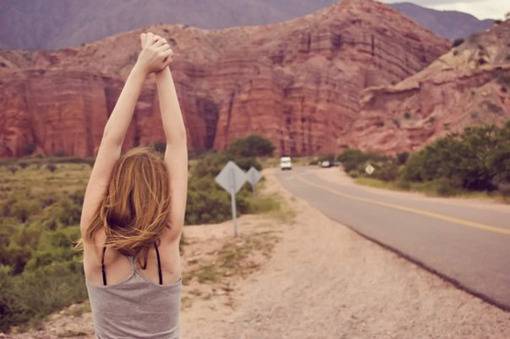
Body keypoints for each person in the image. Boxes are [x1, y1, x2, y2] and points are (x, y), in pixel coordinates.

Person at [75, 31, 188, 339]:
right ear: (160, 192)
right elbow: (177, 142)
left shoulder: (95, 241)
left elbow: (110, 143)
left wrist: (141, 67)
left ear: (116, 186)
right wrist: (161, 69)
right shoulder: (166, 239)